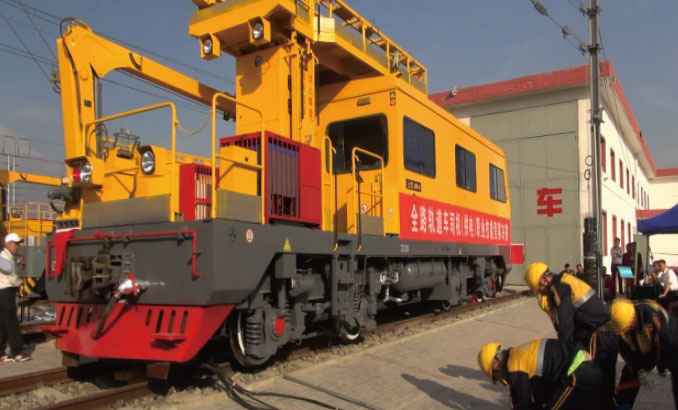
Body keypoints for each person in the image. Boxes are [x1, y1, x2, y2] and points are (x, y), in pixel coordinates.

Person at [524, 262, 617, 409]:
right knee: (602, 383)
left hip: (598, 335)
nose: (541, 293)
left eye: (539, 289)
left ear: (544, 279)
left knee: (593, 378)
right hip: (603, 334)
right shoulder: (564, 280)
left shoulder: (559, 287)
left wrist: (565, 354)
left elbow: (566, 325)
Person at [478, 339, 607, 409]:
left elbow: (522, 403)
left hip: (577, 373)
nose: (500, 380)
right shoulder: (519, 353)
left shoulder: (513, 367)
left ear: (496, 365)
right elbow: (540, 389)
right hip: (586, 366)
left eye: (495, 376)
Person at [610, 298, 678, 409]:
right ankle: (623, 405)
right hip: (645, 347)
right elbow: (626, 352)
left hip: (672, 344)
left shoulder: (651, 316)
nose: (625, 334)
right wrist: (638, 370)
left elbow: (664, 343)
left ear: (633, 319)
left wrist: (661, 368)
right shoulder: (621, 328)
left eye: (628, 329)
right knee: (629, 373)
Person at [0, 233, 30, 362]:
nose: (17, 246)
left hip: (2, 292)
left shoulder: (5, 257)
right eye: (15, 243)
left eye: (18, 244)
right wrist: (20, 283)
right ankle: (17, 353)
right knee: (12, 323)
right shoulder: (4, 258)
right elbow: (12, 277)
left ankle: (1, 353)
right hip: (6, 292)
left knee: (2, 323)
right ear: (7, 244)